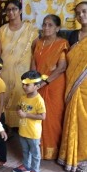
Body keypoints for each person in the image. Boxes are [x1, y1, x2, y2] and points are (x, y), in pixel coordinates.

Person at [0, 0, 39, 128]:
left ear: (20, 11)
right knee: (4, 99)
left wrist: (33, 75)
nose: (11, 12)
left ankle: (21, 128)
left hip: (24, 74)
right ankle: (6, 127)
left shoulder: (31, 30)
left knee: (22, 98)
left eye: (14, 9)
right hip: (5, 73)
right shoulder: (1, 31)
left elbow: (36, 54)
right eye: (8, 10)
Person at [32, 14, 69, 160]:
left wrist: (45, 82)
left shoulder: (62, 43)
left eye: (50, 25)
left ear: (57, 28)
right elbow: (33, 62)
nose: (46, 28)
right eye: (44, 24)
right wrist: (33, 80)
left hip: (55, 85)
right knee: (38, 116)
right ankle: (39, 150)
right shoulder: (38, 43)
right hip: (39, 84)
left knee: (52, 117)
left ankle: (52, 150)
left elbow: (61, 67)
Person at [58, 1, 87, 172]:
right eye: (78, 13)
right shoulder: (73, 36)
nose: (81, 15)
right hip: (73, 83)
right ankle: (72, 157)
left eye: (84, 11)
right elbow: (68, 58)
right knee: (73, 118)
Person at [12, 70, 46, 172]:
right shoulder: (23, 97)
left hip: (33, 133)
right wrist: (18, 110)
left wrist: (26, 114)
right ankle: (26, 166)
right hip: (23, 130)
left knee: (35, 153)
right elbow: (18, 106)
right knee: (25, 150)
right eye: (23, 84)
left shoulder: (38, 100)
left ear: (37, 86)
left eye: (27, 85)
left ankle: (35, 171)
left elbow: (43, 116)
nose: (24, 87)